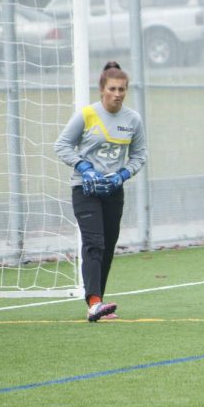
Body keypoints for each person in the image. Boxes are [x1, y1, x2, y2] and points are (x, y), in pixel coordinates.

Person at [54, 61, 147, 322]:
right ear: (102, 89)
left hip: (113, 192)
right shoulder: (86, 115)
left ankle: (98, 303)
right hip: (85, 190)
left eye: (122, 89)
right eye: (113, 89)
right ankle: (94, 302)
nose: (117, 94)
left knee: (107, 246)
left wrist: (122, 175)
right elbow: (62, 145)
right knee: (93, 243)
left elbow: (140, 155)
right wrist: (85, 167)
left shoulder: (133, 120)